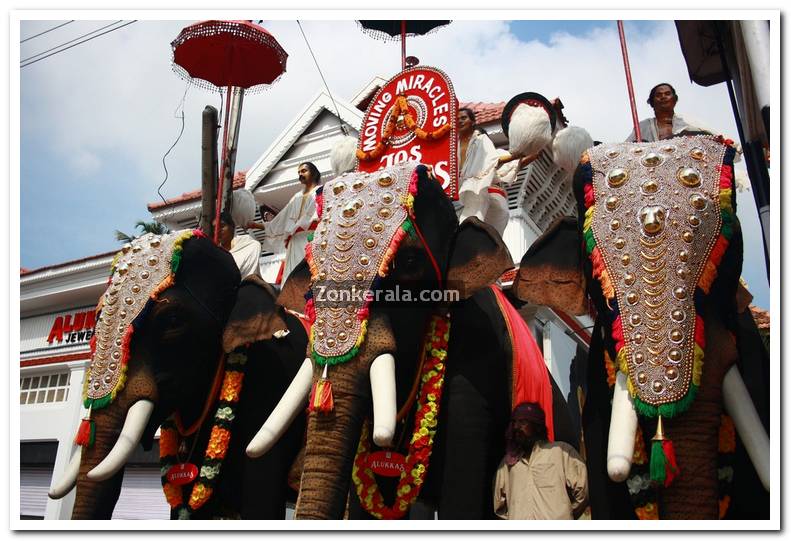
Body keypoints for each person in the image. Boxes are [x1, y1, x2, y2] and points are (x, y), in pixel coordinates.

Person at [493, 402, 588, 520]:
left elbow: (583, 490)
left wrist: (564, 514)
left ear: (537, 426)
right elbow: (499, 507)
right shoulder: (507, 464)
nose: (516, 427)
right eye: (514, 422)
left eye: (523, 422)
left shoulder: (560, 452)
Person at [457, 107, 534, 235]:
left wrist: (534, 151)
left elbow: (515, 164)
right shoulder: (462, 157)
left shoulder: (494, 154)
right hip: (473, 197)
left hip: (493, 198)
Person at [246, 162, 321, 285]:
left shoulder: (321, 192)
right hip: (294, 244)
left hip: (313, 239)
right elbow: (279, 220)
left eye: (304, 171)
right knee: (292, 280)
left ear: (313, 172)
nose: (301, 174)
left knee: (312, 277)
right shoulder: (296, 197)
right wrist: (256, 225)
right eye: (299, 172)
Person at [626, 83, 713, 142]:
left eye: (667, 94)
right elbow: (627, 148)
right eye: (658, 95)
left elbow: (712, 138)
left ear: (674, 100)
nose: (663, 97)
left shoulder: (689, 121)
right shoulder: (642, 126)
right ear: (652, 102)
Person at [218, 211, 262, 279]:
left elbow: (256, 245)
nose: (218, 231)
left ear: (232, 227)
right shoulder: (214, 253)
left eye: (222, 226)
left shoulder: (248, 244)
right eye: (215, 228)